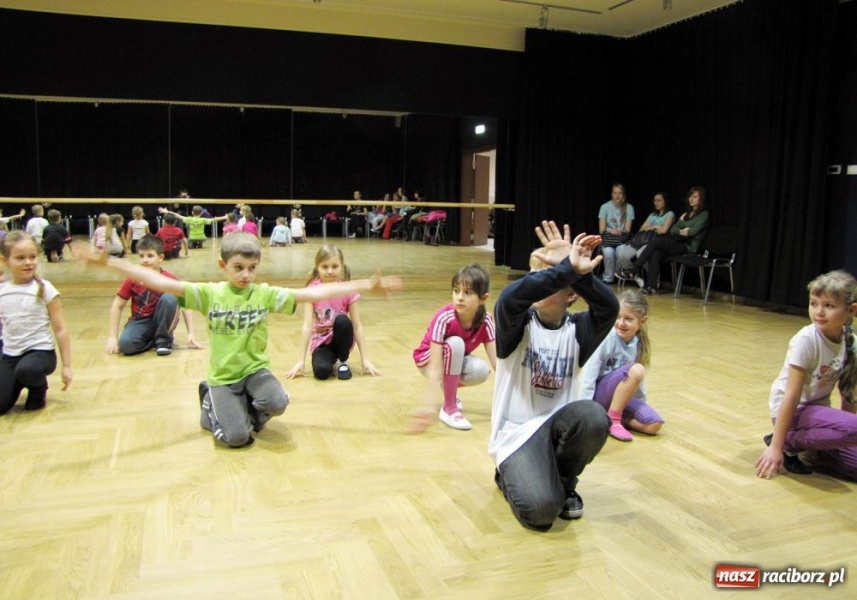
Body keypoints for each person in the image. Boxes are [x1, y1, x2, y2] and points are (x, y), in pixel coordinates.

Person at [80, 232, 401, 448]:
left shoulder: (263, 294)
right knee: (237, 438)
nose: (246, 274)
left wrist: (365, 285)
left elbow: (314, 294)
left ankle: (239, 408)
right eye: (238, 268)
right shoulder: (209, 294)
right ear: (223, 266)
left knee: (279, 402)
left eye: (252, 268)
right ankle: (211, 402)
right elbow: (159, 282)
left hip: (255, 372)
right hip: (223, 378)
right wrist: (109, 262)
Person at [488, 221, 618, 530]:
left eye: (549, 278)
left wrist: (577, 273)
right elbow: (511, 298)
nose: (539, 283)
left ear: (571, 294)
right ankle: (507, 476)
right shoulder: (516, 324)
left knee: (594, 416)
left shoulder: (578, 330)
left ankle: (564, 482)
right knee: (541, 512)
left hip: (559, 428)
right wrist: (564, 269)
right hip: (517, 438)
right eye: (535, 276)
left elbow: (609, 308)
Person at [756, 270, 857, 481]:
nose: (819, 312)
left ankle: (818, 451)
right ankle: (788, 441)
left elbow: (848, 394)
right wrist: (777, 447)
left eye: (829, 306)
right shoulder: (806, 340)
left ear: (851, 310)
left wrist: (847, 437)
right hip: (792, 411)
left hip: (817, 416)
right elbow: (791, 396)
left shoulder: (850, 342)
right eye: (813, 304)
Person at [410, 264, 497, 431]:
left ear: (483, 298)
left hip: (452, 360)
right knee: (455, 343)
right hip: (427, 361)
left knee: (481, 371)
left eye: (468, 292)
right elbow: (435, 368)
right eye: (456, 291)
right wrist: (428, 406)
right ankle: (449, 408)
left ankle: (448, 388)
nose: (460, 297)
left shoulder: (486, 321)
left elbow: (497, 364)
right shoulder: (444, 317)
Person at [0, 231, 72, 415]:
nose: (28, 262)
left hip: (40, 352)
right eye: (20, 258)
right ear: (5, 260)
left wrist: (67, 366)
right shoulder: (2, 291)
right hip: (11, 355)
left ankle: (38, 387)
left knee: (27, 369)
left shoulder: (45, 288)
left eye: (32, 257)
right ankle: (17, 380)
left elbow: (60, 329)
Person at [284, 244, 380, 381]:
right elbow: (307, 326)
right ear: (317, 267)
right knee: (321, 372)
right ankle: (329, 359)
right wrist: (301, 360)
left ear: (342, 266)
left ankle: (343, 361)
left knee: (342, 321)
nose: (330, 271)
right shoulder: (311, 291)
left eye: (334, 266)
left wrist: (365, 359)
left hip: (341, 340)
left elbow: (357, 326)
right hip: (321, 344)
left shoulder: (348, 290)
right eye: (325, 267)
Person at [579, 289, 664, 441]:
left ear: (642, 321)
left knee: (654, 425)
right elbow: (588, 377)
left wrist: (641, 406)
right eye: (618, 317)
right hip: (598, 396)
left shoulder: (638, 343)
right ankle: (613, 420)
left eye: (628, 319)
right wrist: (585, 412)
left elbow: (638, 382)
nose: (621, 323)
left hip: (619, 399)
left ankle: (614, 419)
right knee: (636, 370)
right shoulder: (606, 338)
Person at [105, 234, 201, 356]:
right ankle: (153, 340)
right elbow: (118, 304)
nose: (145, 260)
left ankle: (163, 340)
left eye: (150, 256)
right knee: (126, 346)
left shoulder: (170, 279)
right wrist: (112, 336)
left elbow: (186, 306)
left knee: (169, 298)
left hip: (162, 319)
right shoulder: (133, 278)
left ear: (160, 257)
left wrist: (191, 333)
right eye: (141, 256)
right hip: (140, 321)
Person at [620, 186, 710, 295]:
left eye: (694, 197)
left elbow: (693, 231)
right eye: (690, 196)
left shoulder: (704, 214)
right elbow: (674, 230)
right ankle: (652, 286)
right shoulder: (686, 213)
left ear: (701, 198)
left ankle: (633, 269)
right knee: (655, 253)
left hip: (688, 247)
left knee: (655, 242)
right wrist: (684, 229)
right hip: (677, 242)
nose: (691, 199)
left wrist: (685, 227)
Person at [615, 192, 676, 287]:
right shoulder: (652, 215)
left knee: (641, 254)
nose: (656, 203)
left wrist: (650, 227)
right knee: (622, 255)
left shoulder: (670, 214)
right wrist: (655, 227)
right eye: (654, 200)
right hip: (641, 239)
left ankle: (654, 277)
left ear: (665, 201)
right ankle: (635, 276)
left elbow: (664, 230)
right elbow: (642, 229)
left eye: (659, 200)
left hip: (654, 241)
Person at [597, 184, 634, 284]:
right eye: (615, 193)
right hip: (608, 239)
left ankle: (617, 275)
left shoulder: (629, 207)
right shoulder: (605, 207)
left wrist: (620, 231)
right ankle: (608, 278)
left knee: (621, 252)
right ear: (611, 194)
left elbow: (628, 229)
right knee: (608, 252)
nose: (617, 196)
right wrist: (611, 231)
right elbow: (601, 229)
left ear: (623, 195)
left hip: (622, 239)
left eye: (620, 193)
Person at [159, 205, 227, 249]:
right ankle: (199, 243)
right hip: (202, 238)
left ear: (192, 212)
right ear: (201, 213)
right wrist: (225, 217)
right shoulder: (203, 220)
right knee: (199, 239)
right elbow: (215, 219)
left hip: (192, 238)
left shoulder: (190, 219)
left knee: (190, 241)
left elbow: (177, 215)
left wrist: (166, 211)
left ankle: (193, 244)